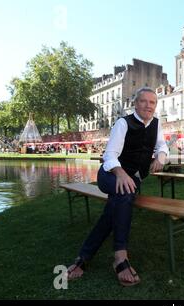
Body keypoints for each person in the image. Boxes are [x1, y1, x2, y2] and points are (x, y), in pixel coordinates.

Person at [66, 87, 169, 287]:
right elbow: (110, 155)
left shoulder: (157, 124)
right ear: (135, 104)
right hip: (110, 175)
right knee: (125, 193)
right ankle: (120, 257)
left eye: (152, 102)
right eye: (143, 101)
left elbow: (162, 145)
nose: (148, 105)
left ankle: (84, 257)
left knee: (116, 206)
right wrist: (120, 173)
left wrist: (161, 156)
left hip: (132, 179)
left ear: (156, 106)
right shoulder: (123, 123)